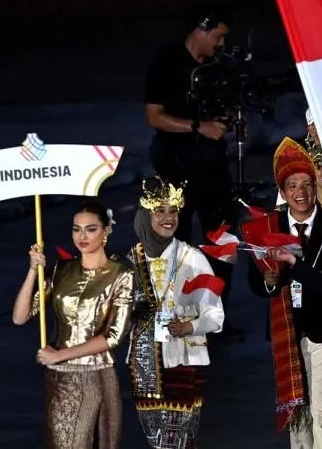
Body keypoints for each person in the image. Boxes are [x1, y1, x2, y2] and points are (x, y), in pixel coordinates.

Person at [246, 137, 322, 448]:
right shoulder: (268, 227)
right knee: (299, 415)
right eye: (292, 186)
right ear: (282, 192)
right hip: (288, 333)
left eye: (307, 184)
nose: (301, 192)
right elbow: (255, 283)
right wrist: (269, 281)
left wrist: (299, 268)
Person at [144, 5, 240, 327]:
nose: (221, 44)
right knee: (175, 238)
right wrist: (198, 126)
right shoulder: (167, 61)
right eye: (218, 36)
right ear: (202, 28)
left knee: (222, 238)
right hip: (175, 162)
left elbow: (229, 104)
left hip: (212, 164)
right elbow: (154, 116)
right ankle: (174, 315)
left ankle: (215, 316)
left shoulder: (218, 66)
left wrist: (226, 117)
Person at [12, 202, 134, 449]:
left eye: (91, 229)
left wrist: (60, 355)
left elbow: (113, 336)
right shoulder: (62, 269)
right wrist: (33, 271)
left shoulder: (121, 274)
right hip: (60, 378)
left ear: (106, 231)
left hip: (96, 373)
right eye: (76, 229)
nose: (82, 236)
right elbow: (20, 316)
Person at [127, 176, 226, 449]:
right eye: (159, 211)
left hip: (183, 359)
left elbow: (215, 315)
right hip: (144, 367)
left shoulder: (192, 258)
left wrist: (188, 326)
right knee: (156, 442)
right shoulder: (130, 261)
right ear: (145, 215)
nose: (168, 218)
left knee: (176, 442)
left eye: (173, 211)